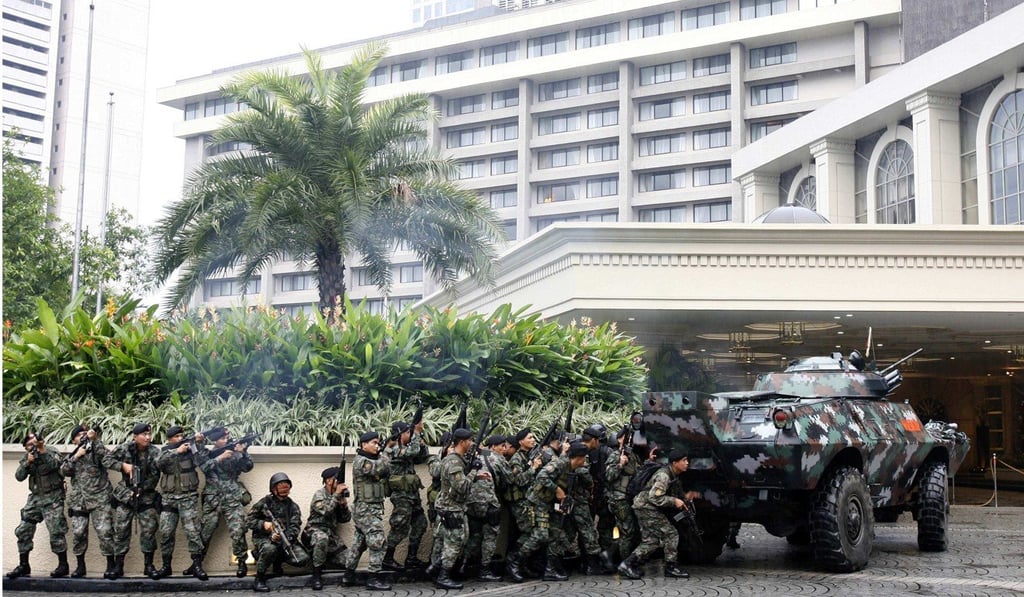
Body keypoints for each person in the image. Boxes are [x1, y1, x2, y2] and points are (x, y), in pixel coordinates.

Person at [506, 441, 590, 583]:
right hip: (538, 502)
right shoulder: (559, 463)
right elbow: (542, 476)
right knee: (540, 535)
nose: (586, 461)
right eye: (585, 457)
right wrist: (557, 490)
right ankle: (515, 562)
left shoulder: (571, 467)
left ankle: (550, 569)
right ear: (579, 457)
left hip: (551, 504)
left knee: (555, 535)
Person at [617, 448, 699, 580]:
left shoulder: (672, 474)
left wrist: (684, 498)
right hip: (647, 507)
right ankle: (671, 567)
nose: (687, 463)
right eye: (684, 460)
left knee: (652, 541)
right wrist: (674, 501)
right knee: (671, 534)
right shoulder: (664, 476)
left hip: (644, 506)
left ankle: (627, 564)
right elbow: (654, 497)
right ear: (674, 463)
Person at [7, 430, 69, 579]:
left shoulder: (51, 451)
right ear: (26, 447)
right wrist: (28, 462)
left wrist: (42, 451)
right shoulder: (28, 457)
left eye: (34, 442)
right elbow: (19, 476)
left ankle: (63, 565)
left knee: (56, 531)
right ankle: (24, 565)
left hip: (53, 497)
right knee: (23, 530)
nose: (33, 446)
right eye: (29, 445)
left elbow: (57, 466)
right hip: (36, 498)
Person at [60, 423, 119, 579]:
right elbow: (63, 471)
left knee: (105, 532)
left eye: (86, 434)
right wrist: (77, 455)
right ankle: (80, 566)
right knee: (79, 533)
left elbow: (110, 460)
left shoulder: (97, 450)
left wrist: (96, 441)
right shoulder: (73, 454)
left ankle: (110, 565)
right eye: (80, 435)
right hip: (79, 501)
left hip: (100, 499)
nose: (84, 436)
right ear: (74, 440)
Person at [152, 425, 210, 580]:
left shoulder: (191, 450)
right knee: (166, 533)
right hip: (169, 499)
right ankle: (166, 566)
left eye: (181, 436)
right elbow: (157, 463)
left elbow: (203, 462)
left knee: (193, 532)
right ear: (170, 439)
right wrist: (176, 451)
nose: (180, 439)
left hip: (188, 498)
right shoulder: (164, 451)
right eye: (177, 437)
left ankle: (197, 565)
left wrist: (198, 443)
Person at [104, 422, 161, 578]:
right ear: (135, 436)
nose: (148, 437)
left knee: (149, 531)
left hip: (146, 496)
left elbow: (158, 472)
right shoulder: (125, 448)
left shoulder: (154, 452)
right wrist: (123, 466)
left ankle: (149, 566)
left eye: (149, 434)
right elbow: (106, 460)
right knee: (121, 531)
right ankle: (118, 566)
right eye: (144, 435)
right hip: (126, 496)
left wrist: (143, 488)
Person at [198, 426, 254, 578]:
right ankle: (197, 563)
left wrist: (243, 452)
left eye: (226, 438)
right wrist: (220, 458)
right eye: (222, 439)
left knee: (238, 530)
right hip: (213, 498)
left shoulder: (235, 453)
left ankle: (242, 563)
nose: (226, 440)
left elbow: (248, 467)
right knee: (206, 531)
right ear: (215, 441)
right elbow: (204, 467)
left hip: (232, 497)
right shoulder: (208, 453)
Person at [341, 430, 392, 591]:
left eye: (378, 443)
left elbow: (386, 471)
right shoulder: (361, 461)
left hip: (369, 509)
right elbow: (380, 467)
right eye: (374, 443)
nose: (377, 446)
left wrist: (382, 452)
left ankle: (348, 576)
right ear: (364, 444)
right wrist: (387, 449)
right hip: (366, 510)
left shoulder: (371, 459)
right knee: (378, 542)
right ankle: (373, 578)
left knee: (359, 543)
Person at [247, 472, 309, 592]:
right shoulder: (265, 503)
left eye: (286, 488)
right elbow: (248, 520)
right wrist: (264, 525)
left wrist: (287, 537)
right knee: (270, 549)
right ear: (274, 489)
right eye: (281, 488)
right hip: (264, 538)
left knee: (302, 559)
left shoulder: (292, 506)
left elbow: (295, 526)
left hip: (284, 538)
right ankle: (259, 578)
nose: (284, 491)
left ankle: (277, 561)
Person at [382, 420, 429, 571]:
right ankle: (388, 559)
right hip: (402, 496)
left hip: (412, 496)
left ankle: (412, 558)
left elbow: (421, 456)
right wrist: (415, 433)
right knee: (399, 527)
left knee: (420, 524)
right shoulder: (392, 450)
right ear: (400, 434)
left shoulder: (406, 448)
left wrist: (420, 441)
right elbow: (411, 452)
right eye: (407, 432)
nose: (410, 435)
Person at [432, 427, 476, 590]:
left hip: (453, 507)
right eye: (470, 441)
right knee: (454, 542)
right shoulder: (453, 462)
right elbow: (462, 487)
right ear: (463, 442)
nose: (472, 444)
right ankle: (443, 576)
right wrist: (474, 472)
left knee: (451, 540)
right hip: (451, 508)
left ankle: (435, 568)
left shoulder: (456, 459)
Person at [462, 434, 505, 581]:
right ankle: (484, 569)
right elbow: (509, 479)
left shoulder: (466, 457)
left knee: (474, 535)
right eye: (502, 445)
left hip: (469, 502)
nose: (504, 448)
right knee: (490, 536)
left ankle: (465, 564)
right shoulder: (495, 458)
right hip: (488, 502)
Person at [302, 467, 351, 591]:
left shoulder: (338, 496)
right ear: (329, 481)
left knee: (350, 562)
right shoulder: (319, 495)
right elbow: (326, 511)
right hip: (314, 532)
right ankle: (316, 575)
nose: (340, 483)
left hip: (330, 535)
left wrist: (344, 506)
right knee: (321, 538)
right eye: (337, 480)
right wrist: (336, 495)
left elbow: (345, 520)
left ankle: (324, 557)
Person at [604, 426, 640, 562]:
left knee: (631, 531)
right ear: (619, 440)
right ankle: (625, 563)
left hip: (629, 498)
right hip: (619, 499)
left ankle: (610, 556)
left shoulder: (632, 455)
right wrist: (620, 464)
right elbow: (609, 476)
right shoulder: (615, 455)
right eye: (627, 437)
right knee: (627, 532)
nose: (630, 440)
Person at [506, 428, 542, 558]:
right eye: (530, 438)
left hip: (531, 500)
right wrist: (533, 468)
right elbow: (519, 480)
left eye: (533, 437)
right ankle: (513, 560)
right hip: (520, 503)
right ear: (521, 442)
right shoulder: (516, 459)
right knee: (528, 533)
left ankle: (524, 563)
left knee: (532, 532)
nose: (533, 440)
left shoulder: (530, 455)